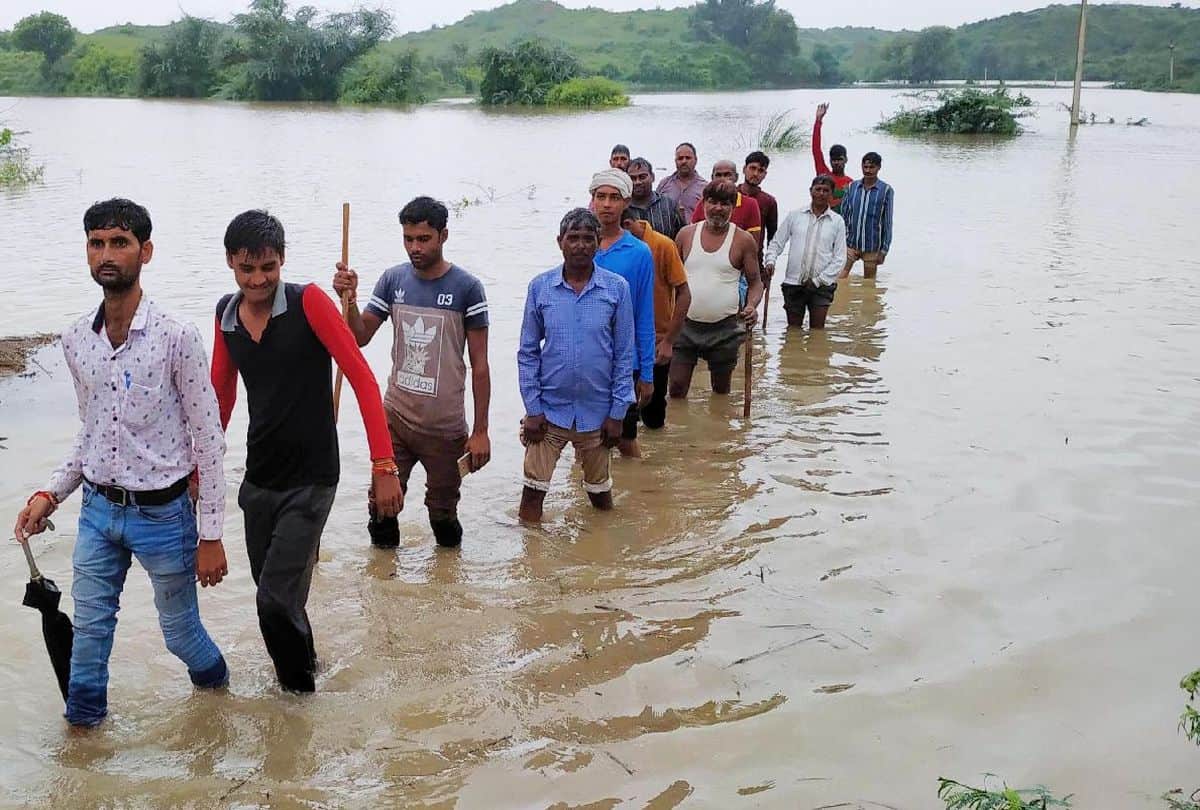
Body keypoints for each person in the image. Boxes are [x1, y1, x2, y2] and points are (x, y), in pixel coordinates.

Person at [13, 198, 230, 727]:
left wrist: (211, 534)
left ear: (145, 251)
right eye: (96, 243)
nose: (106, 254)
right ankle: (83, 745)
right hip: (97, 512)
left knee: (180, 633)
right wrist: (51, 493)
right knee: (88, 634)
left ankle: (221, 703)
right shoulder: (75, 340)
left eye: (119, 242)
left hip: (164, 515)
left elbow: (209, 440)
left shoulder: (176, 336)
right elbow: (92, 433)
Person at [211, 210, 402, 693]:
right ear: (231, 262)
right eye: (248, 269)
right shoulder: (226, 315)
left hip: (313, 478)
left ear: (282, 261)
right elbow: (221, 398)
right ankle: (307, 672)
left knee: (273, 601)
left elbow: (360, 376)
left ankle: (298, 702)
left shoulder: (309, 302)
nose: (259, 280)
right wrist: (201, 471)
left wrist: (384, 465)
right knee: (276, 598)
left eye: (268, 268)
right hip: (258, 480)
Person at [331, 196, 491, 550]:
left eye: (423, 239)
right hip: (396, 420)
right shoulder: (393, 280)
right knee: (382, 507)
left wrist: (480, 431)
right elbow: (359, 337)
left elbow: (480, 366)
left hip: (445, 429)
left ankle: (447, 584)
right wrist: (350, 299)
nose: (415, 248)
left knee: (442, 515)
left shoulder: (467, 288)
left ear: (443, 236)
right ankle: (384, 587)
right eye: (408, 239)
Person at [517, 209, 634, 523]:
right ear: (560, 242)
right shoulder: (540, 288)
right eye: (573, 238)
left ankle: (604, 552)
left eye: (587, 239)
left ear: (598, 243)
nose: (580, 245)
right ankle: (532, 563)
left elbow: (624, 355)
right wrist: (533, 408)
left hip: (598, 413)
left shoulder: (616, 289)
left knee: (600, 495)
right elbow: (527, 352)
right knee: (532, 494)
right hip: (549, 412)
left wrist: (617, 413)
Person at [670, 182, 763, 399]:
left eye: (725, 203)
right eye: (712, 202)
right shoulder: (685, 235)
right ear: (703, 204)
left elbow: (756, 282)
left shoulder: (743, 240)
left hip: (725, 329)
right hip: (685, 325)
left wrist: (751, 306)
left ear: (732, 207)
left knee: (721, 392)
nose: (718, 208)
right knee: (676, 388)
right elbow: (669, 281)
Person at [589, 169, 656, 458]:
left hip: (624, 362)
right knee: (585, 438)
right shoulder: (580, 244)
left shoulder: (639, 252)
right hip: (587, 360)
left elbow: (644, 314)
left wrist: (647, 372)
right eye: (600, 196)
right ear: (591, 200)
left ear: (626, 202)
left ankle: (640, 495)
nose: (606, 204)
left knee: (626, 437)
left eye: (614, 198)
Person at [620, 208, 691, 430]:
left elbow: (684, 294)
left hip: (657, 341)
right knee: (622, 416)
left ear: (629, 224)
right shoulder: (604, 247)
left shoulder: (662, 245)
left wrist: (669, 341)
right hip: (620, 344)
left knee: (654, 416)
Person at [764, 175, 846, 330]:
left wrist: (818, 281)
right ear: (811, 191)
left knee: (817, 331)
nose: (821, 193)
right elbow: (776, 243)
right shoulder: (795, 216)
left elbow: (839, 258)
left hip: (822, 285)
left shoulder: (837, 222)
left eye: (826, 190)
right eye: (818, 189)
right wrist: (770, 262)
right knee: (793, 331)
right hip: (793, 283)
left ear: (831, 195)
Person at [838, 152, 894, 280]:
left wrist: (884, 250)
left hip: (872, 246)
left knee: (869, 284)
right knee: (840, 279)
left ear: (879, 167)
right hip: (850, 244)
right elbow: (844, 216)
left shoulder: (886, 190)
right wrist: (843, 242)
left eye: (872, 167)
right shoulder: (852, 187)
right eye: (865, 167)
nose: (868, 170)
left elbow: (887, 222)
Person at [689, 160, 762, 254]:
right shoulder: (704, 204)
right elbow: (693, 236)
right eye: (718, 175)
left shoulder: (750, 204)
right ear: (712, 178)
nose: (723, 179)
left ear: (736, 177)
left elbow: (753, 245)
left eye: (728, 175)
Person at [625, 157, 686, 240]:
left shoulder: (669, 205)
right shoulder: (622, 208)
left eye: (642, 177)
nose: (637, 182)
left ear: (652, 177)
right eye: (632, 178)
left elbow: (682, 237)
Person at [812, 103, 854, 210]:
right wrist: (818, 120)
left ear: (846, 160)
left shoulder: (851, 183)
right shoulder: (824, 175)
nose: (836, 163)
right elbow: (816, 150)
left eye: (839, 159)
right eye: (834, 160)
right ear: (830, 161)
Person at [739, 151, 779, 258]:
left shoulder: (769, 202)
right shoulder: (730, 195)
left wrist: (770, 261)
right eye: (752, 168)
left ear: (765, 175)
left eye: (760, 170)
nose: (756, 174)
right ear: (744, 169)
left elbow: (772, 237)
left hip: (755, 259)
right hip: (729, 259)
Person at [656, 142, 706, 217]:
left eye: (688, 158)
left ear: (696, 160)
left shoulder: (705, 188)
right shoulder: (664, 184)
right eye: (680, 158)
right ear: (675, 161)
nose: (684, 161)